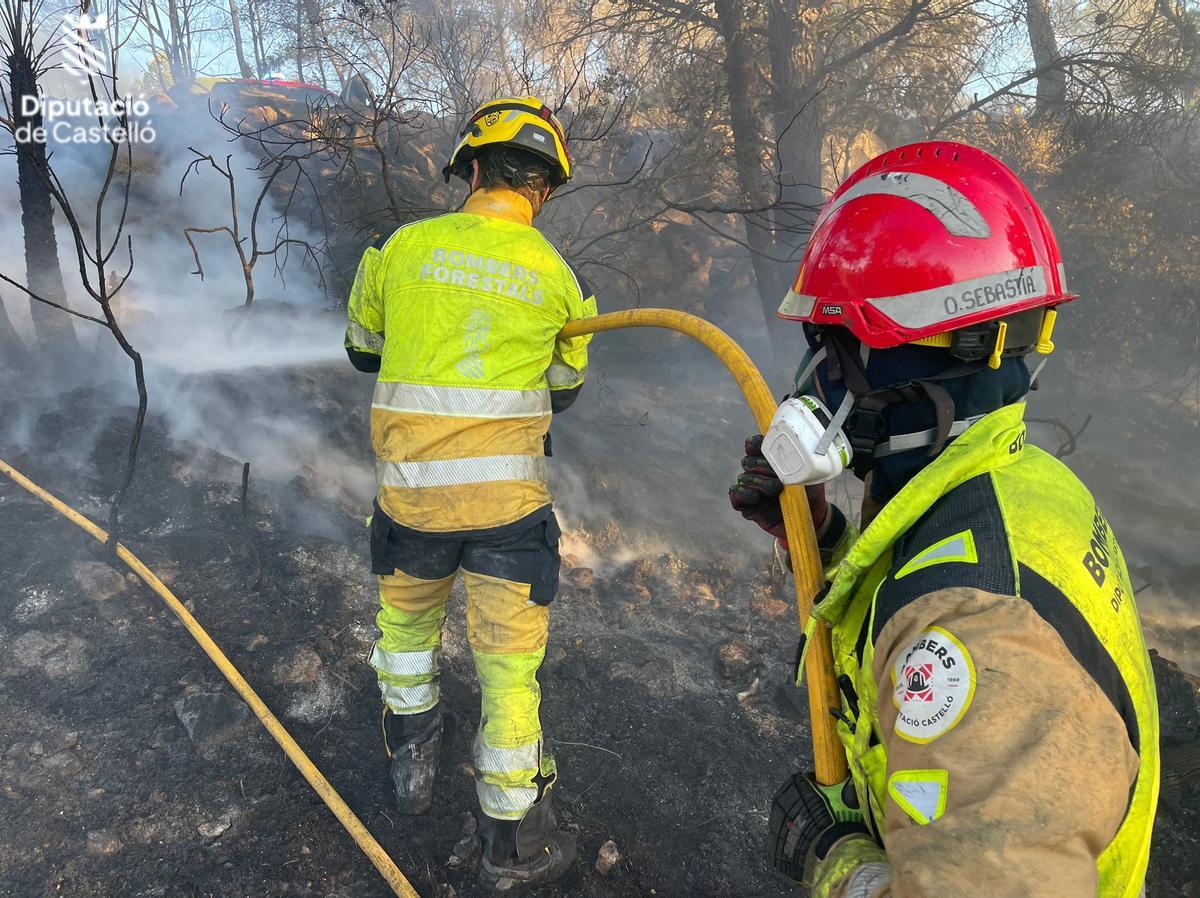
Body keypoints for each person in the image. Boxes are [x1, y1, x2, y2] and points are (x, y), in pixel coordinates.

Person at [729, 141, 1158, 898]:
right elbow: (914, 597)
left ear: (939, 358)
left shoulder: (985, 640)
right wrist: (821, 536)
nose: (813, 379)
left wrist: (837, 860)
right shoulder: (1018, 482)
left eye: (837, 344)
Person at [344, 95, 596, 893]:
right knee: (509, 672)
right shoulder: (562, 278)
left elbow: (362, 348)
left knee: (406, 636)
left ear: (473, 169)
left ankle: (413, 767)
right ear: (543, 190)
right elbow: (564, 390)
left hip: (412, 504)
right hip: (509, 516)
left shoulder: (398, 247)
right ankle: (513, 846)